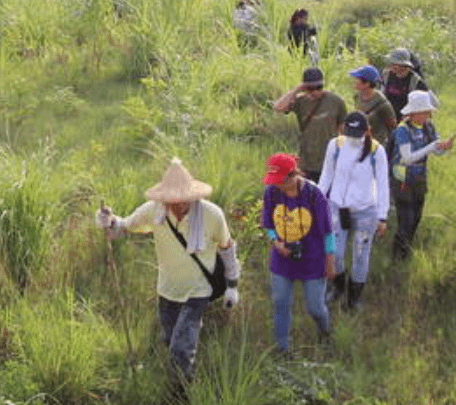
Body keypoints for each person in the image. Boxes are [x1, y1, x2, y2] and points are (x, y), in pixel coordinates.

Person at [95, 158, 241, 393]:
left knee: (180, 349)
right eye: (170, 201)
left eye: (180, 200)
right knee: (171, 343)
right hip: (168, 290)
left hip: (198, 291)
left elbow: (227, 248)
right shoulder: (155, 211)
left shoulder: (212, 215)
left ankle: (181, 394)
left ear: (191, 196)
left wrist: (232, 285)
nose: (175, 206)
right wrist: (109, 221)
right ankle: (181, 381)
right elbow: (125, 226)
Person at [261, 153, 336, 356]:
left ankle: (324, 330)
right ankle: (282, 349)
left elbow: (328, 232)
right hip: (282, 260)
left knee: (315, 307)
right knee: (281, 304)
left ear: (293, 176)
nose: (277, 186)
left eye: (280, 182)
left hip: (313, 259)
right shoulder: (271, 193)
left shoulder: (315, 195)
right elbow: (268, 225)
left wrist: (330, 261)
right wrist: (277, 243)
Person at [318, 112, 389, 311]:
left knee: (360, 254)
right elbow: (326, 177)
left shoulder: (377, 151)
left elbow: (383, 185)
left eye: (358, 133)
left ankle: (354, 298)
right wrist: (316, 202)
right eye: (350, 132)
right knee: (336, 253)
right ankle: (338, 286)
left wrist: (382, 217)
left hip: (366, 211)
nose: (353, 137)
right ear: (342, 129)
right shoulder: (335, 146)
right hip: (337, 207)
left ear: (368, 131)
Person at [389, 91, 455, 260]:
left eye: (428, 111)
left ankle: (406, 249)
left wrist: (444, 147)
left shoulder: (429, 127)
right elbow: (407, 157)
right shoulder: (402, 130)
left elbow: (436, 150)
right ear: (413, 112)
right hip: (402, 178)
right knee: (406, 220)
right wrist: (431, 147)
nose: (428, 115)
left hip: (420, 178)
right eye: (424, 111)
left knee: (417, 217)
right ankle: (398, 255)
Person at [273, 67, 347, 183]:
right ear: (305, 87)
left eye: (319, 87)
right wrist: (296, 90)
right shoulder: (300, 101)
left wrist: (343, 155)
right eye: (311, 88)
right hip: (306, 161)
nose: (315, 92)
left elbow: (343, 131)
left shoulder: (336, 102)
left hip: (329, 159)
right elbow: (278, 107)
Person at [350, 64, 397, 147]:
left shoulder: (382, 103)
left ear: (367, 83)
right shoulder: (357, 97)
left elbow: (392, 124)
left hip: (378, 145)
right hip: (361, 142)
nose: (355, 81)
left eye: (358, 79)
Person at [382, 47, 428, 122]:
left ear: (403, 65)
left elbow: (425, 105)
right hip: (387, 117)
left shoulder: (415, 81)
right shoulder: (386, 75)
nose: (391, 65)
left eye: (394, 63)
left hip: (407, 119)